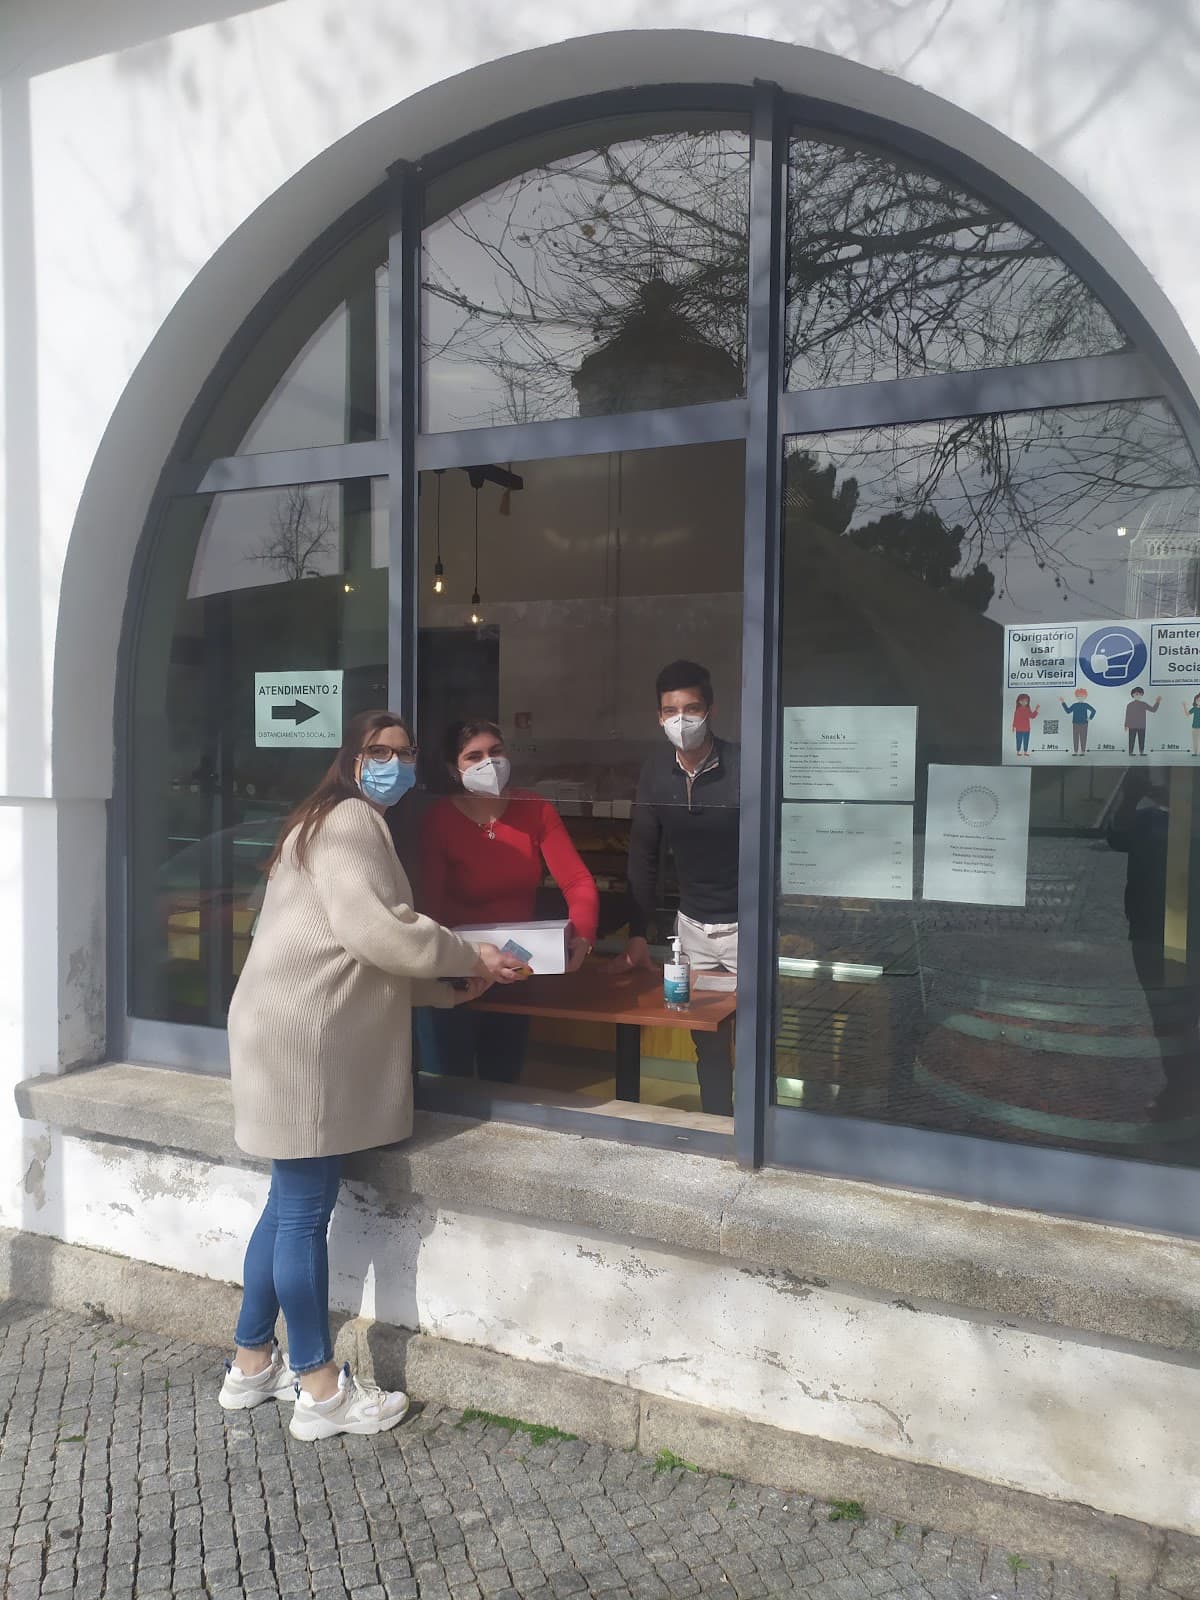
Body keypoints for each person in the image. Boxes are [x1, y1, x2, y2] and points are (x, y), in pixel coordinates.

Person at [221, 710, 524, 1440]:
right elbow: (379, 933)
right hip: (306, 1040)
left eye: (404, 752)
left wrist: (449, 987)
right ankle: (321, 1390)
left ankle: (251, 1362)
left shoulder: (317, 821)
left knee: (285, 1201)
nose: (393, 762)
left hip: (280, 1027)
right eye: (378, 751)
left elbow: (347, 951)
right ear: (352, 761)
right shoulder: (353, 821)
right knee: (301, 1210)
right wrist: (469, 957)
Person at [419, 719, 599, 1082]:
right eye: (475, 756)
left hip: (517, 971)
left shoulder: (534, 809)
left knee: (503, 1084)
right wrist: (465, 962)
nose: (489, 762)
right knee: (448, 1090)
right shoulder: (438, 820)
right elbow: (428, 908)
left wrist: (583, 935)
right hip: (456, 973)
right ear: (455, 770)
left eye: (496, 752)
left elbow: (578, 881)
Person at [619, 660, 740, 1116]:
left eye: (691, 708)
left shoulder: (743, 766)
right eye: (671, 710)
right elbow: (643, 856)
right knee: (706, 1042)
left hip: (745, 925)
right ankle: (716, 1123)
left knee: (752, 1038)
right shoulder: (655, 773)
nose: (681, 719)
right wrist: (638, 932)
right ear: (659, 716)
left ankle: (754, 1134)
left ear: (710, 710)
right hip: (691, 930)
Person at [1124, 687, 1161, 756]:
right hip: (1132, 726)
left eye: (1140, 694)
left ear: (1142, 695)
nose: (1138, 695)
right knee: (1131, 740)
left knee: (1142, 740)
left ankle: (1141, 752)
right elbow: (1127, 715)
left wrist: (1157, 702)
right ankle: (1130, 752)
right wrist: (1126, 725)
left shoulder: (1144, 704)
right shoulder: (1129, 705)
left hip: (1142, 726)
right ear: (1133, 695)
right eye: (1136, 694)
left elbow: (1153, 710)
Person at [1060, 687, 1096, 756]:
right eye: (1079, 696)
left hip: (1084, 723)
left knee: (1083, 737)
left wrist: (1090, 718)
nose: (1081, 697)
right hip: (1075, 723)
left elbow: (1094, 711)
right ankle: (1076, 751)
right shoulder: (1075, 705)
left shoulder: (1086, 705)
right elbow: (1068, 711)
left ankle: (1083, 751)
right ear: (1076, 696)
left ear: (1085, 696)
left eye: (1082, 696)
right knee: (1075, 737)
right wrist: (1063, 702)